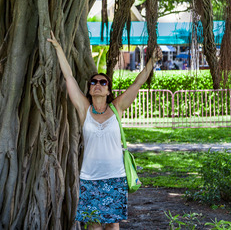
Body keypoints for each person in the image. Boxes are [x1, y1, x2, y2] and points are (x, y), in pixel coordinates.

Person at [48, 32, 160, 230]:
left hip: (115, 176)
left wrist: (151, 61)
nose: (97, 85)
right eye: (94, 82)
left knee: (112, 225)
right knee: (93, 226)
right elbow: (69, 77)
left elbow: (137, 83)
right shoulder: (84, 109)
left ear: (108, 90)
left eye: (102, 83)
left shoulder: (117, 108)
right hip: (90, 177)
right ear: (89, 89)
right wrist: (58, 48)